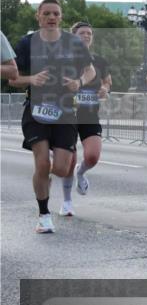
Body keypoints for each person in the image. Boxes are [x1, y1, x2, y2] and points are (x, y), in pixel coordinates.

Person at [9, 0, 95, 234]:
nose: (51, 17)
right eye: (46, 13)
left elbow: (90, 71)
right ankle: (44, 215)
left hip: (66, 111)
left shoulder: (73, 43)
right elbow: (12, 78)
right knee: (42, 161)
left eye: (55, 13)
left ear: (61, 17)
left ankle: (44, 173)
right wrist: (31, 79)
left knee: (60, 168)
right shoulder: (27, 43)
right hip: (36, 110)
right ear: (38, 16)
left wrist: (79, 82)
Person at [56, 22, 113, 217]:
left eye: (89, 33)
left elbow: (107, 81)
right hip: (67, 115)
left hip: (89, 114)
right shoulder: (64, 58)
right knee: (69, 160)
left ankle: (81, 173)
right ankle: (67, 201)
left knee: (92, 156)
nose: (86, 36)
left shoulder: (99, 61)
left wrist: (105, 89)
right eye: (82, 33)